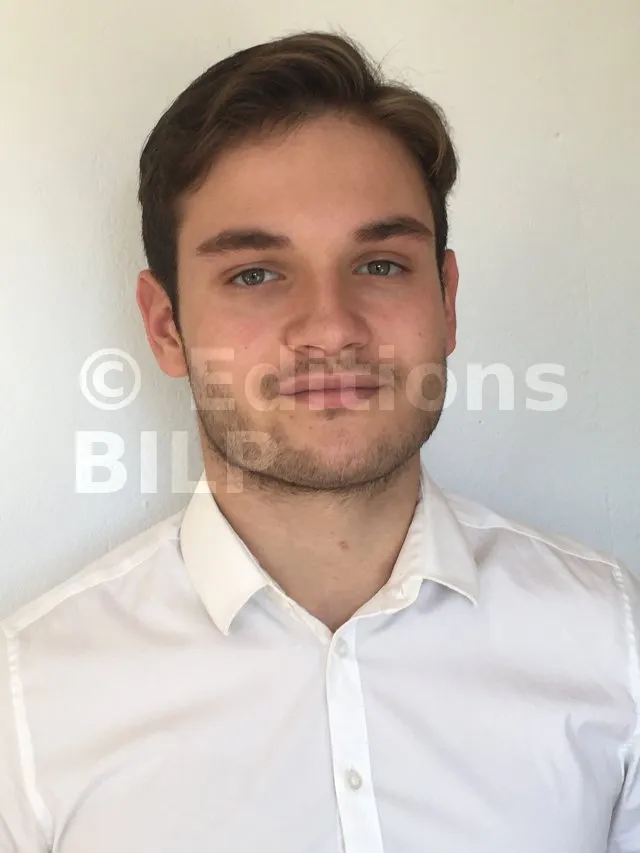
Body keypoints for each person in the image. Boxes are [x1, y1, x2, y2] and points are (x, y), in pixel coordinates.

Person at [0, 28, 638, 853]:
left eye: (380, 264)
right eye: (255, 274)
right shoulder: (29, 702)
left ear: (446, 302)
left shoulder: (612, 640)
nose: (332, 327)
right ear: (165, 327)